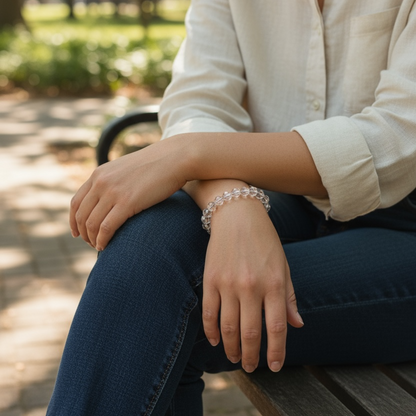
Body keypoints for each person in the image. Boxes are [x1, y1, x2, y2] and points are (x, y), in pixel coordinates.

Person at [47, 0, 416, 415]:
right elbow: (199, 100)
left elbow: (396, 143)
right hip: (290, 199)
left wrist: (190, 154)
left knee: (158, 323)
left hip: (406, 227)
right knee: (150, 242)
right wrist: (233, 203)